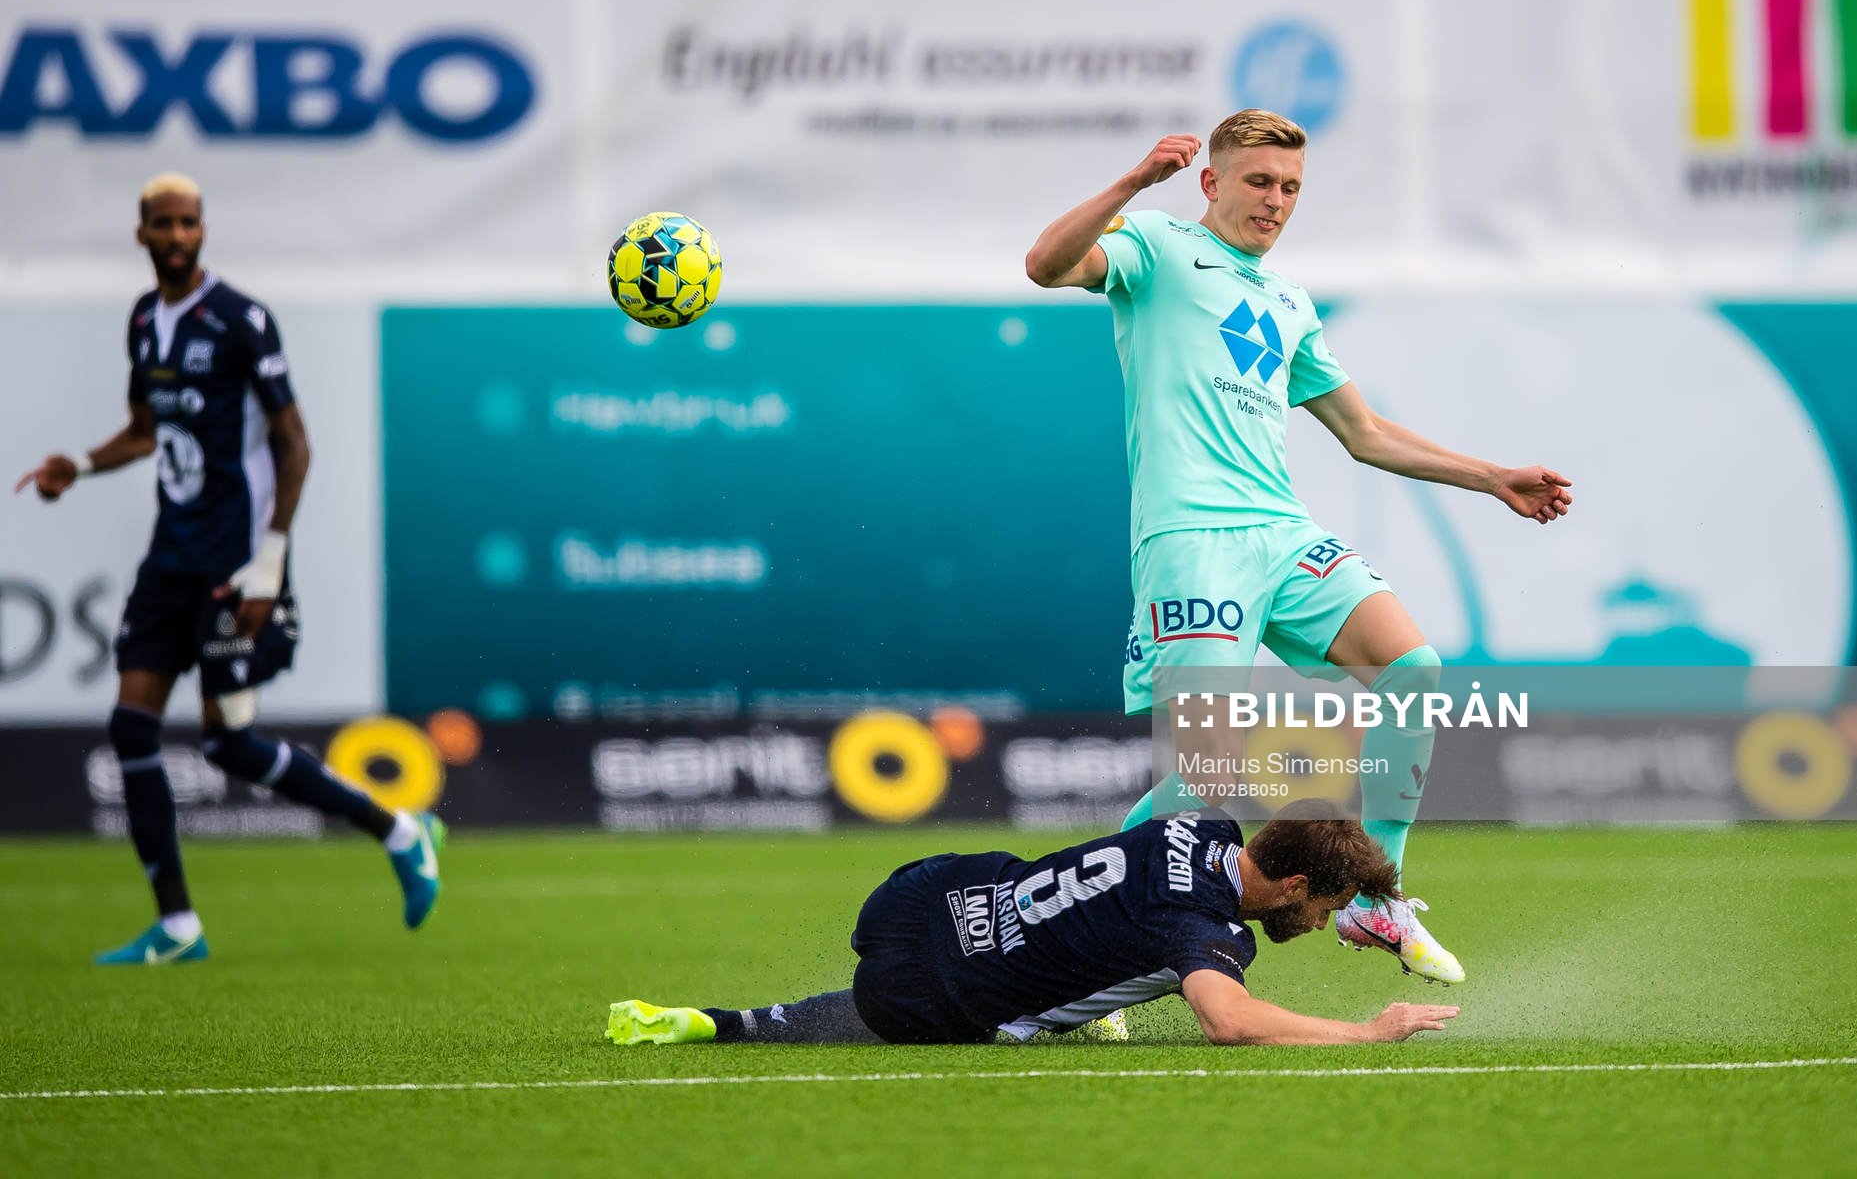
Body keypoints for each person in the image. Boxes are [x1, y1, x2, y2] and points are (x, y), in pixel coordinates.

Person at [1022, 111, 1574, 985]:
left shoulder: (1287, 301)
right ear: (1211, 182)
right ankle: (1071, 946)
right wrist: (1131, 184)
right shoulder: (1156, 248)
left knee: (1413, 668)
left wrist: (1493, 477)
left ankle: (1371, 899)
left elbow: (1363, 432)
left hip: (1283, 534)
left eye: (1290, 189)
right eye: (1259, 182)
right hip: (1194, 540)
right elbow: (1046, 265)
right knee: (1200, 785)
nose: (1275, 202)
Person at [14, 173, 445, 965]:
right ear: (141, 233)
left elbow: (296, 443)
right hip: (169, 555)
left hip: (233, 561)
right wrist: (77, 462)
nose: (177, 236)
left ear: (202, 231)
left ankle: (400, 830)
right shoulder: (145, 321)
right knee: (131, 725)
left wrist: (268, 566)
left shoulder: (240, 319)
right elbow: (145, 433)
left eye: (188, 223)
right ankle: (178, 927)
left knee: (229, 743)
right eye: (162, 224)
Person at [606, 802, 1456, 1046]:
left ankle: (720, 1022)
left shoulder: (1199, 830)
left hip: (917, 895)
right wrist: (1364, 1033)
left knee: (996, 951)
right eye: (1324, 909)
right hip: (922, 989)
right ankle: (727, 1024)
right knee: (979, 1007)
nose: (1318, 924)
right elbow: (1227, 1021)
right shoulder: (1212, 936)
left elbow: (1132, 904)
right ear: (1297, 883)